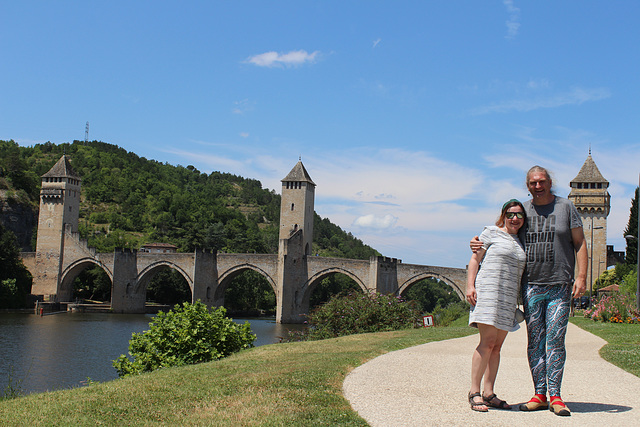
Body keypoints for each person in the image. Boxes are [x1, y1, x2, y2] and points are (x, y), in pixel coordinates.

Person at [471, 166, 588, 417]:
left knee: (555, 340)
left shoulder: (566, 207)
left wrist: (581, 276)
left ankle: (555, 396)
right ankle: (540, 394)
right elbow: (504, 232)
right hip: (532, 286)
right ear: (527, 185)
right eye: (533, 182)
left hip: (559, 284)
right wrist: (477, 243)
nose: (538, 186)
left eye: (542, 181)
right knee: (535, 342)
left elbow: (579, 242)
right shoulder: (522, 211)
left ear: (549, 182)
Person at [467, 199, 527, 412]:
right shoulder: (490, 232)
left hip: (508, 298)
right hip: (488, 293)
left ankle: (489, 393)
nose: (515, 218)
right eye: (511, 214)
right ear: (503, 215)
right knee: (487, 342)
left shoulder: (521, 240)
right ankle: (474, 392)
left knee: (497, 347)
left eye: (519, 215)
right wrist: (470, 286)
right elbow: (475, 259)